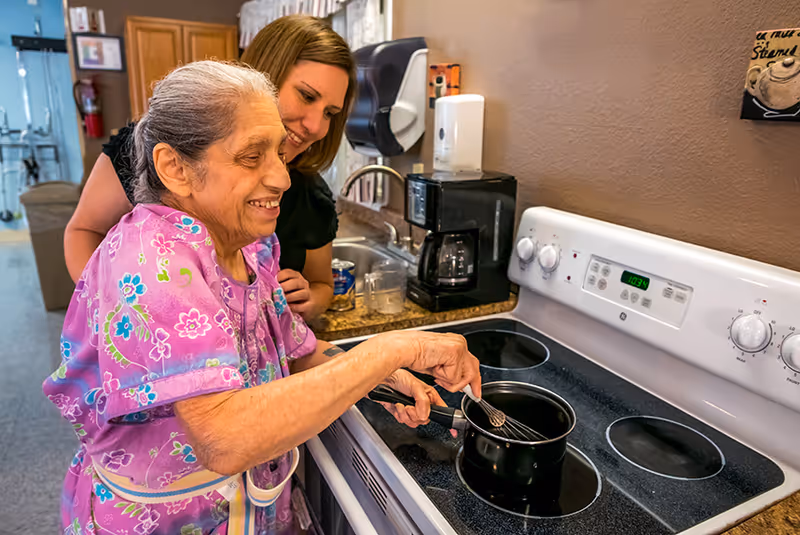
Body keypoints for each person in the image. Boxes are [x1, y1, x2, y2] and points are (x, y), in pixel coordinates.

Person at [44, 62, 480, 535]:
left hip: (245, 506)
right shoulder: (151, 261)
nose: (282, 179)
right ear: (175, 167)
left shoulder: (247, 244)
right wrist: (394, 348)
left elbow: (298, 350)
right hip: (162, 520)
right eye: (252, 157)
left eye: (277, 152)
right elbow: (222, 438)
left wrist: (385, 377)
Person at [64, 15, 355, 320]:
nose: (314, 125)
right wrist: (118, 316)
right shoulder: (146, 150)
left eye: (330, 113)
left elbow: (320, 285)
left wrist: (311, 298)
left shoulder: (306, 199)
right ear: (175, 169)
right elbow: (85, 230)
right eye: (306, 96)